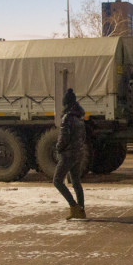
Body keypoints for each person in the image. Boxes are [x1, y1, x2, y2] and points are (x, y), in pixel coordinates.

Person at [53, 88, 86, 220]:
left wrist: (58, 148)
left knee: (57, 181)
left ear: (66, 103)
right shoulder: (79, 118)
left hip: (67, 155)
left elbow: (64, 138)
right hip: (78, 154)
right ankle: (81, 210)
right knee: (76, 182)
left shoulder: (67, 118)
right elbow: (83, 137)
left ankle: (74, 207)